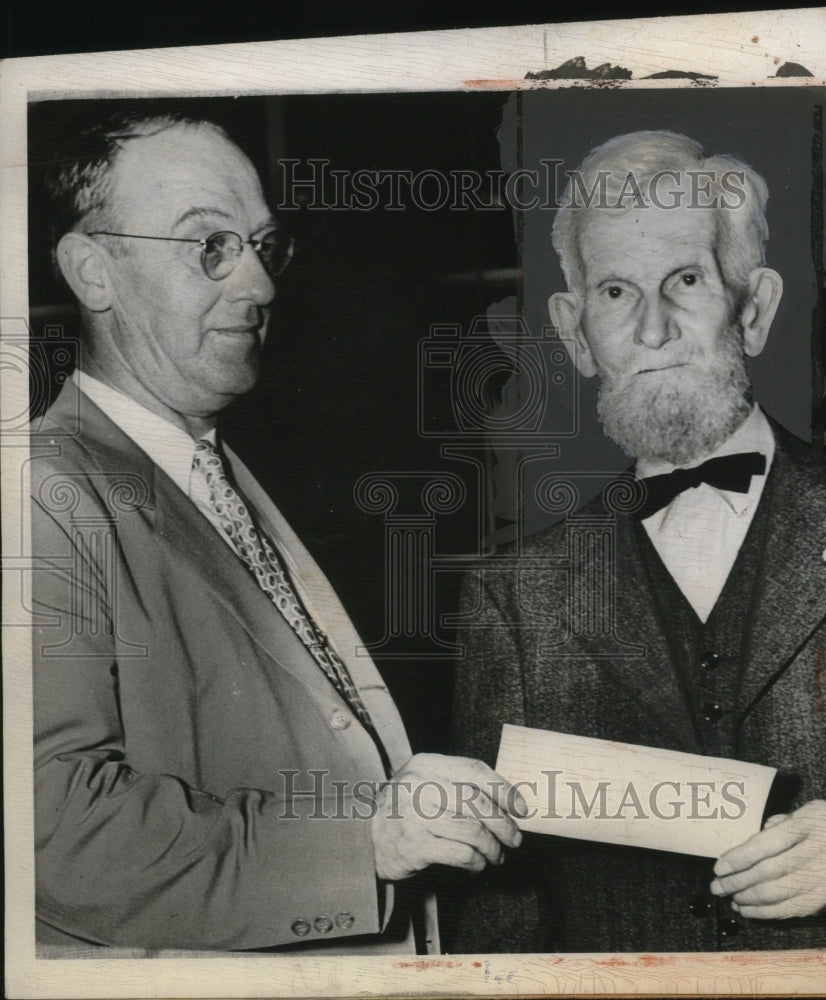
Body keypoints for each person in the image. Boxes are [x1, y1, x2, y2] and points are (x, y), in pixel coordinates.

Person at [30, 108, 524, 955]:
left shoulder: (211, 466)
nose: (259, 287)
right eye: (210, 246)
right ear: (92, 269)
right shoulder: (42, 491)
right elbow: (45, 826)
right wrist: (364, 841)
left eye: (264, 246)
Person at [449, 130, 826, 952]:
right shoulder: (517, 596)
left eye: (685, 279)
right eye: (613, 292)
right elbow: (502, 918)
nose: (650, 331)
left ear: (754, 308)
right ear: (575, 334)